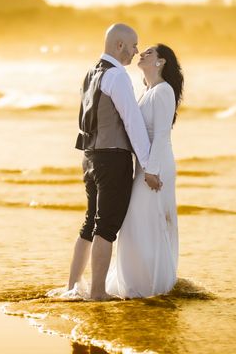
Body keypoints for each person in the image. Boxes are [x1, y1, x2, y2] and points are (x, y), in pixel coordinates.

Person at [66, 23, 162, 301]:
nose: (135, 52)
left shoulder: (91, 72)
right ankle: (97, 292)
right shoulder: (118, 77)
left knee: (90, 223)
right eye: (133, 46)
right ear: (119, 45)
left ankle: (72, 286)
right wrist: (149, 167)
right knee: (106, 227)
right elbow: (132, 122)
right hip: (112, 158)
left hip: (90, 157)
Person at [106, 43, 184, 298]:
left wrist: (151, 171)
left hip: (156, 167)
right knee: (136, 224)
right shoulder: (147, 91)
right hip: (145, 166)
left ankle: (153, 285)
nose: (143, 54)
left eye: (150, 52)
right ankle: (138, 283)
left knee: (147, 222)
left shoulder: (163, 91)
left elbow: (161, 135)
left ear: (161, 62)